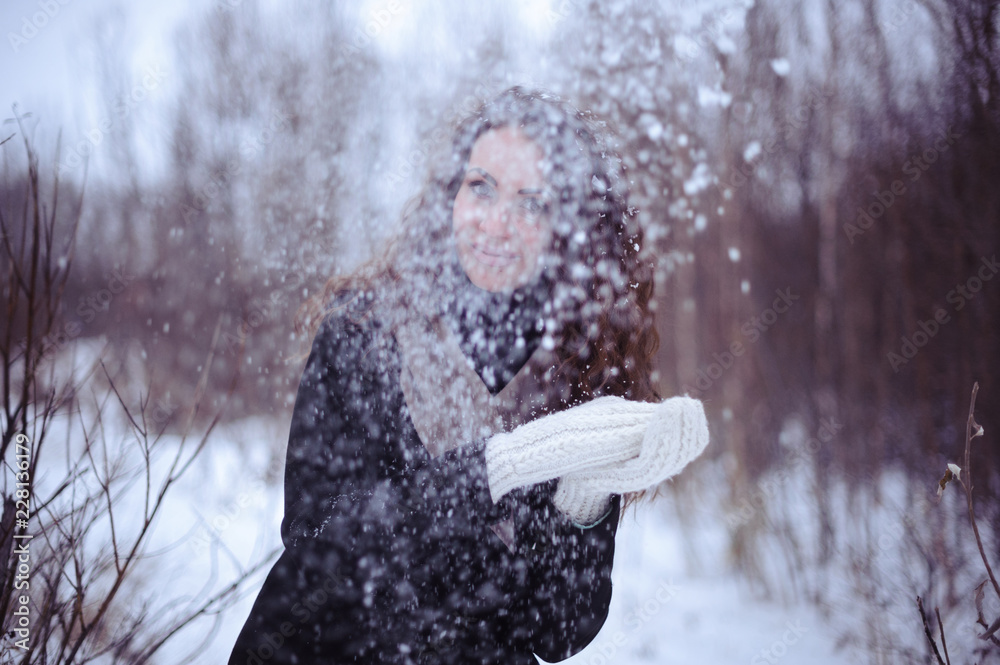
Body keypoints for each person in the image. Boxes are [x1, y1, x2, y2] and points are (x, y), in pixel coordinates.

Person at [228, 87, 709, 664]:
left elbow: (556, 630)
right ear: (450, 196)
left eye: (532, 203)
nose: (496, 224)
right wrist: (499, 467)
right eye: (480, 187)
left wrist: (584, 485)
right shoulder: (366, 331)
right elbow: (318, 545)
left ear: (570, 228)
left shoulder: (574, 372)